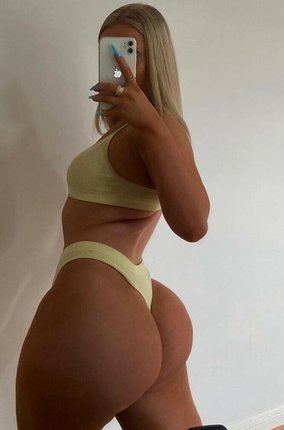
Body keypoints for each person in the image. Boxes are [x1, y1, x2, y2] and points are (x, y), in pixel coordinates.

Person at [15, 4, 214, 429]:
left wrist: (150, 124)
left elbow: (195, 223)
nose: (117, 64)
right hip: (138, 299)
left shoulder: (157, 128)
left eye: (129, 52)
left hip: (98, 303)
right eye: (108, 52)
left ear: (155, 60)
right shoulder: (145, 131)